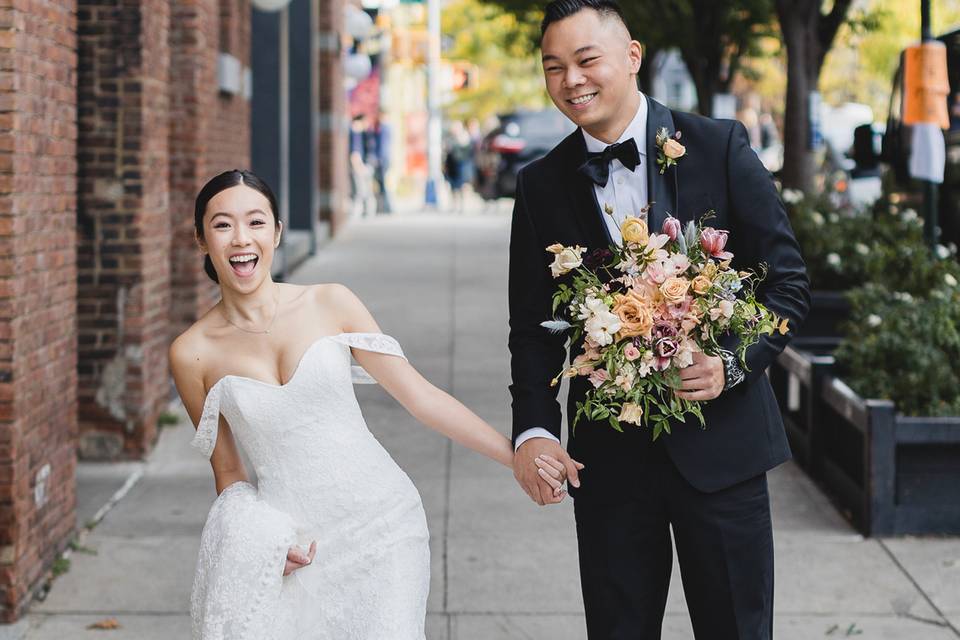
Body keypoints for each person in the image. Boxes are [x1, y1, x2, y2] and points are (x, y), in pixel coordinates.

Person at [507, 2, 810, 639]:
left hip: (723, 455)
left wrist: (728, 363)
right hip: (610, 463)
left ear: (633, 57)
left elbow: (787, 284)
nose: (571, 81)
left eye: (586, 60)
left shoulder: (718, 146)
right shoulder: (539, 184)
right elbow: (533, 328)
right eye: (554, 67)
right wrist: (533, 429)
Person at [170, 170, 562, 639]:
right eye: (222, 225)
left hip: (384, 525)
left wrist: (516, 454)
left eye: (255, 222)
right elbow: (229, 473)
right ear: (201, 239)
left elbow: (419, 396)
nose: (241, 239)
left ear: (275, 231)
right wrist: (262, 545)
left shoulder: (330, 303)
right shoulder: (191, 352)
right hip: (297, 544)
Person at [444, 120, 475, 213]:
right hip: (451, 165)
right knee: (452, 186)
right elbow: (447, 153)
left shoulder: (464, 137)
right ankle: (454, 205)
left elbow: (468, 153)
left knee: (462, 186)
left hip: (462, 165)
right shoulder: (450, 138)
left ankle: (463, 205)